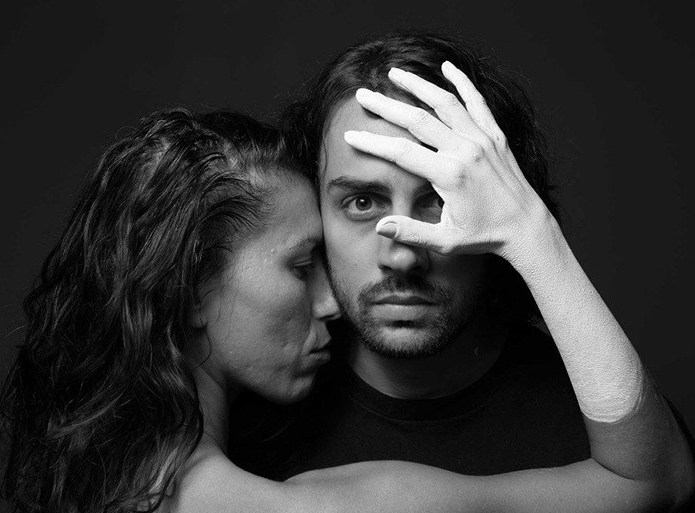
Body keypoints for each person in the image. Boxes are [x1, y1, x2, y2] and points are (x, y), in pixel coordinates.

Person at [0, 106, 691, 513]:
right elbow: (650, 477)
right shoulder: (336, 505)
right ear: (192, 286)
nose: (332, 301)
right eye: (302, 267)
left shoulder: (81, 481)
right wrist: (531, 235)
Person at [230, 30, 695, 507]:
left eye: (438, 200)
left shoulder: (606, 426)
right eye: (362, 202)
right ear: (314, 210)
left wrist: (533, 231)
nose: (402, 256)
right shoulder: (247, 422)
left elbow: (665, 482)